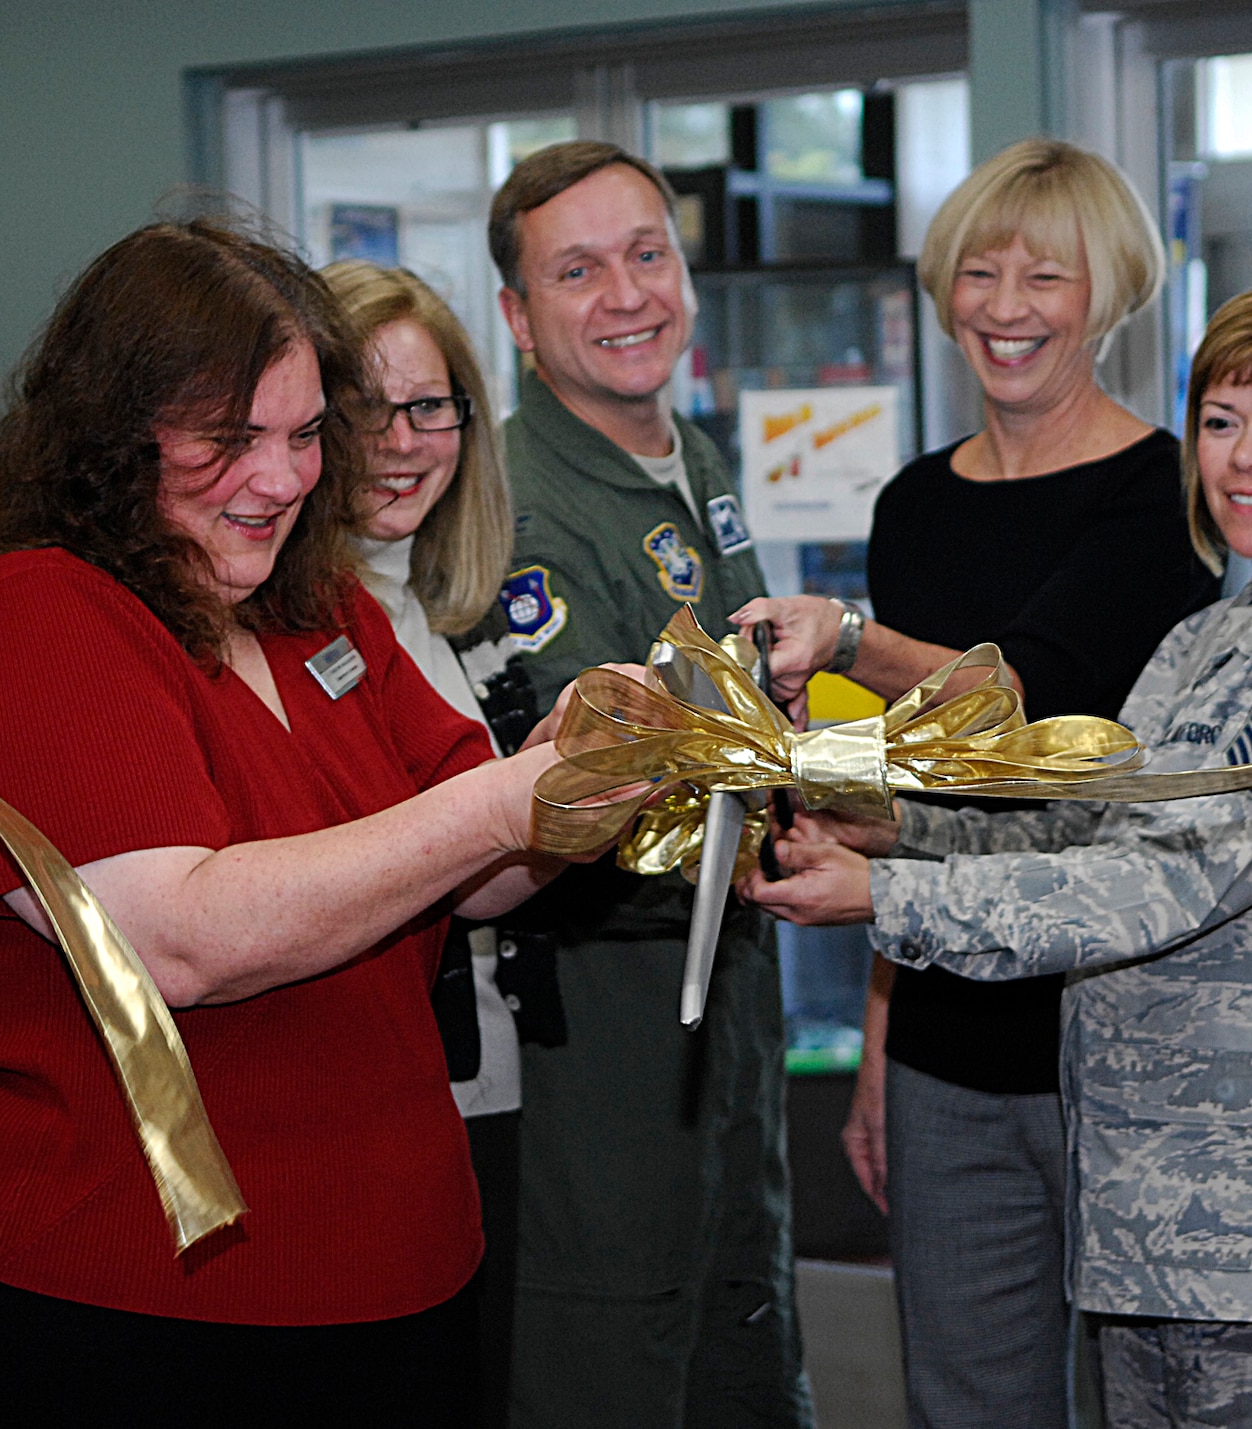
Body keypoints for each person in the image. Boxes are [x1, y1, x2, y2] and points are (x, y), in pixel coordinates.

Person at [743, 278, 1252, 1429]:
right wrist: (898, 829)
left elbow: (1166, 880)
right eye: (1222, 421)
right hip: (1157, 1233)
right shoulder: (1207, 638)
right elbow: (1091, 824)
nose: (1247, 459)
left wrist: (889, 894)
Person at [0, 220, 604, 1427]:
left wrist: (589, 767)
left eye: (301, 436)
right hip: (134, 1307)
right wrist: (497, 801)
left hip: (397, 1272)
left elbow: (482, 871)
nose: (281, 480)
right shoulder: (36, 619)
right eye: (230, 441)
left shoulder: (313, 604)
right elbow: (176, 941)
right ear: (114, 432)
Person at [734, 138, 1219, 1429]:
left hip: (1114, 1040)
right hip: (948, 1042)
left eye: (1044, 276)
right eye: (980, 272)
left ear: (1108, 294)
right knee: (967, 1403)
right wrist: (882, 1046)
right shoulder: (912, 503)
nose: (1006, 308)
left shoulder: (1169, 494)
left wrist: (848, 639)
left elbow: (1034, 716)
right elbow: (915, 795)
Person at [485, 140, 814, 1429]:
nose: (626, 293)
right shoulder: (523, 505)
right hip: (612, 995)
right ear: (516, 318)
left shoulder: (693, 456)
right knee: (616, 1348)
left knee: (739, 1329)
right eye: (576, 270)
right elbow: (604, 786)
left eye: (647, 253)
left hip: (728, 984)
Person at [323, 257, 540, 1428]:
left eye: (430, 406)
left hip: (475, 1068)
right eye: (362, 408)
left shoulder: (421, 608)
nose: (400, 441)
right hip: (375, 1098)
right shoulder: (304, 618)